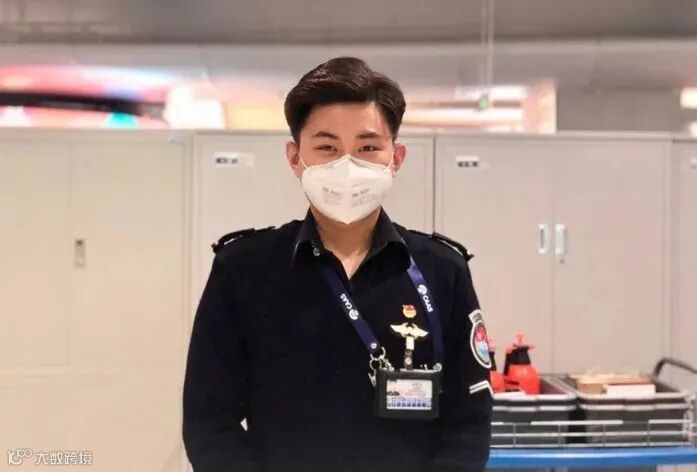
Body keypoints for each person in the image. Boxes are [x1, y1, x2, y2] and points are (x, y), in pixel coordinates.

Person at [183, 56, 493, 472]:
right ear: (295, 157)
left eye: (368, 147)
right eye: (327, 147)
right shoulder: (243, 270)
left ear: (396, 158)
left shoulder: (442, 270)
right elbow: (209, 421)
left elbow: (469, 423)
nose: (347, 166)